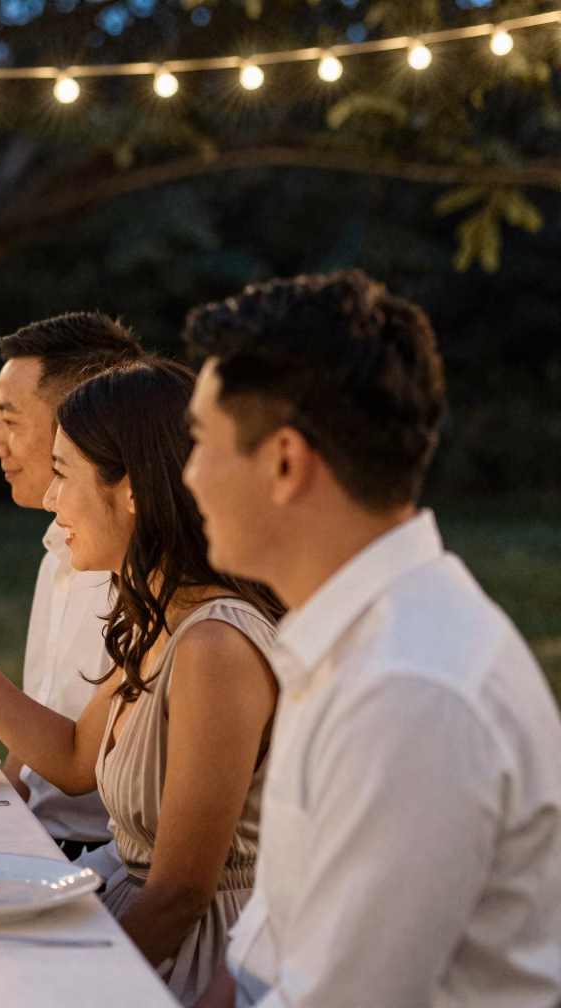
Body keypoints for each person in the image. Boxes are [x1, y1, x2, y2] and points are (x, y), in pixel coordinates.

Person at [179, 271, 561, 1008]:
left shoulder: (409, 691)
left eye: (200, 440)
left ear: (285, 462)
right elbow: (266, 953)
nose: (188, 475)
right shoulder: (344, 641)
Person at [0, 358, 284, 1005]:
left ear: (132, 490)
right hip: (121, 910)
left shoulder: (215, 646)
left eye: (63, 474)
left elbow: (181, 896)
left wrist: (62, 980)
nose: (49, 498)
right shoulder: (161, 616)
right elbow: (73, 759)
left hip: (188, 959)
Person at [0, 313, 142, 870]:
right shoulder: (61, 544)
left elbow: (77, 765)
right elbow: (37, 726)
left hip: (96, 859)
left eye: (9, 420)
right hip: (34, 837)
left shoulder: (147, 585)